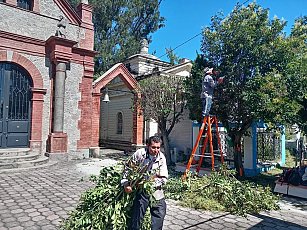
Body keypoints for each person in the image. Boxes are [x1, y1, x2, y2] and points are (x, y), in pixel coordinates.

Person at [121, 136, 168, 230]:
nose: (156, 150)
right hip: (141, 190)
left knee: (160, 211)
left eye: (158, 147)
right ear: (147, 146)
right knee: (137, 215)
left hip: (156, 190)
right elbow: (127, 170)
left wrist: (150, 181)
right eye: (153, 147)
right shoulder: (140, 154)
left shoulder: (161, 157)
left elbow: (164, 178)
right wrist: (126, 184)